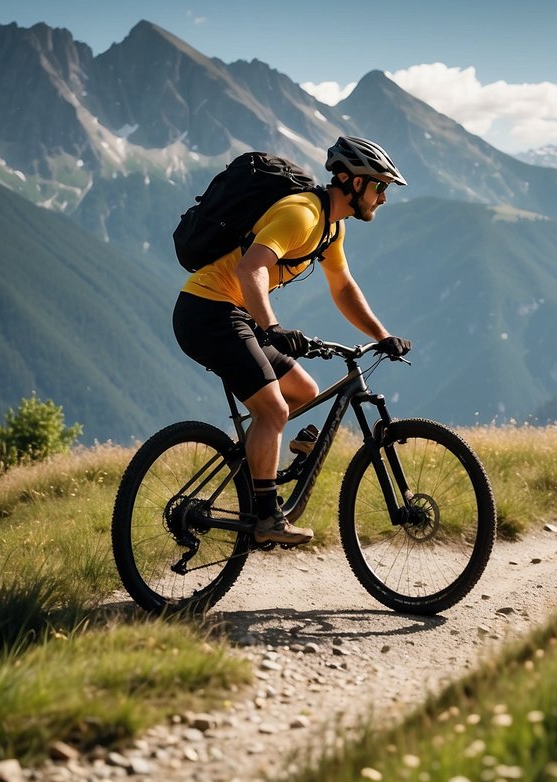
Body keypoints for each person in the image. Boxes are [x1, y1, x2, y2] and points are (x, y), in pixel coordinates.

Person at [172, 136, 411, 546]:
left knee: (303, 390)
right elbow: (251, 269)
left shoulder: (330, 228)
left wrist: (382, 335)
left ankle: (251, 481)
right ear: (352, 182)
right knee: (273, 409)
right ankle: (267, 519)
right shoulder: (302, 214)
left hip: (232, 315)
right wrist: (272, 326)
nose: (384, 197)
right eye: (380, 186)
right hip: (207, 311)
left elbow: (343, 288)